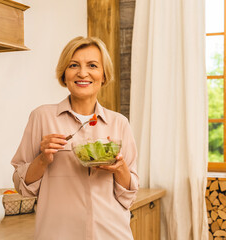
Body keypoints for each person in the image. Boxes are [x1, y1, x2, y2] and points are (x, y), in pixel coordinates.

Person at [11, 36, 138, 240]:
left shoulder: (119, 123)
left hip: (112, 233)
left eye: (93, 65)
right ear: (64, 74)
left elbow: (129, 195)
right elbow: (21, 186)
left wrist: (120, 167)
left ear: (103, 75)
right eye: (74, 65)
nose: (82, 73)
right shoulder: (41, 117)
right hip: (56, 234)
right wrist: (42, 159)